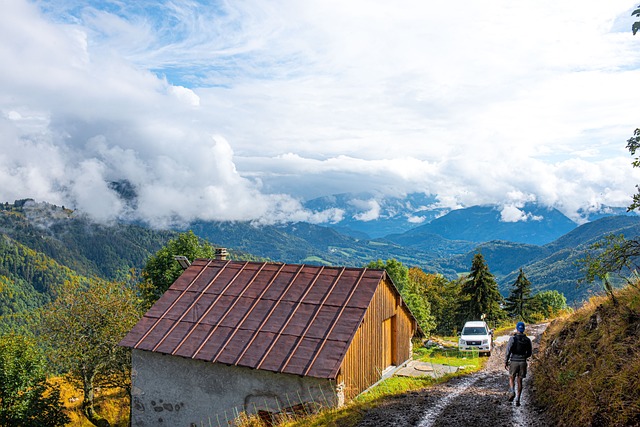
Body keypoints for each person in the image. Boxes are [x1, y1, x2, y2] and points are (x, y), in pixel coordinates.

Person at [504, 321, 533, 406]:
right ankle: (518, 400)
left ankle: (512, 391)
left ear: (517, 329)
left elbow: (508, 351)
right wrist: (524, 357)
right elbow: (530, 353)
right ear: (524, 329)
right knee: (520, 380)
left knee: (511, 377)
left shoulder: (512, 339)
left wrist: (506, 361)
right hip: (523, 362)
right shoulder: (528, 340)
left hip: (514, 361)